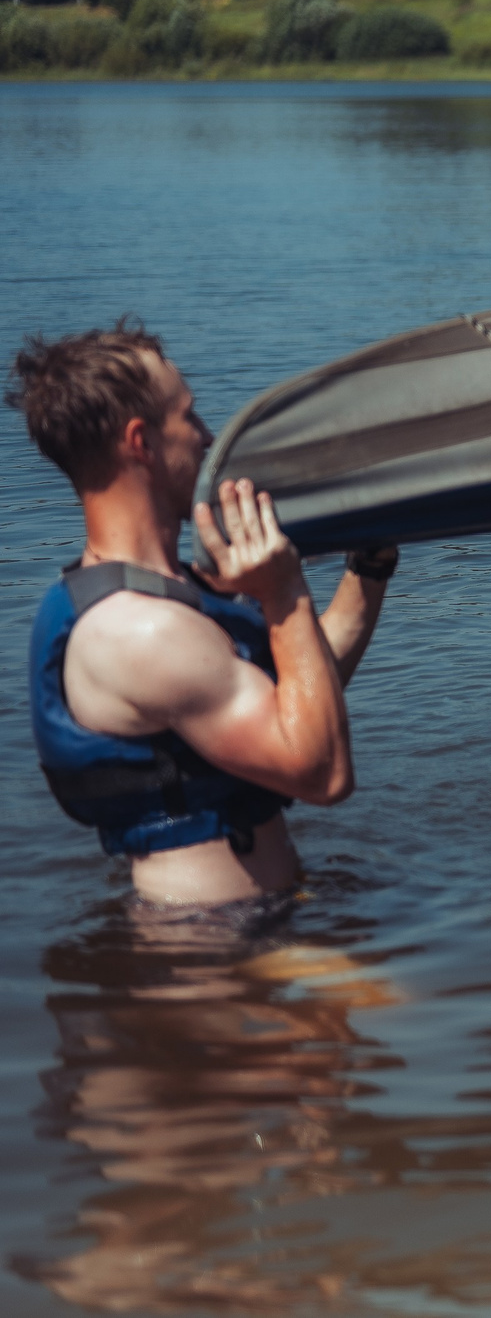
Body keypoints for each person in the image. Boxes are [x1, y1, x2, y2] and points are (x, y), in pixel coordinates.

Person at [10, 322, 396, 906]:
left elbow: (300, 697)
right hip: (209, 949)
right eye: (188, 417)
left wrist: (369, 569)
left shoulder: (172, 595)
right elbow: (322, 773)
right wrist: (284, 592)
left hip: (258, 915)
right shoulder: (139, 630)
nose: (208, 435)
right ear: (141, 442)